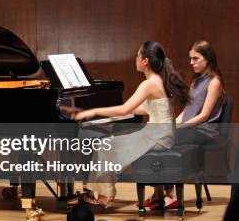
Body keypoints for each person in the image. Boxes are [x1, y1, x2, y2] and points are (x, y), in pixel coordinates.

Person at [74, 41, 190, 208]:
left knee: (105, 145)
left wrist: (93, 112)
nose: (135, 59)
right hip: (161, 134)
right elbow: (145, 108)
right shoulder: (158, 80)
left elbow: (124, 109)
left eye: (138, 56)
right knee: (109, 144)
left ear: (145, 61)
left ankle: (104, 196)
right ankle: (104, 193)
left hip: (157, 137)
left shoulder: (149, 84)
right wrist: (122, 113)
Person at [147, 40, 226, 209]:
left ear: (207, 59)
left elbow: (204, 116)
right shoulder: (195, 81)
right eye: (190, 58)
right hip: (191, 127)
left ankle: (169, 193)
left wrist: (179, 128)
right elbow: (186, 112)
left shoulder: (215, 82)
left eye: (196, 58)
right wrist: (171, 124)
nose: (191, 62)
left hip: (205, 131)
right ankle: (159, 192)